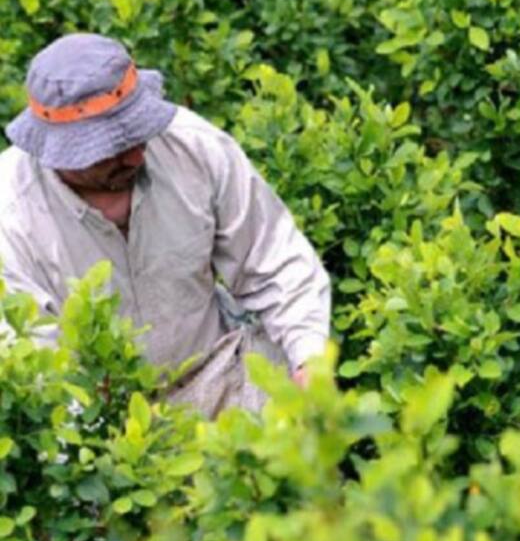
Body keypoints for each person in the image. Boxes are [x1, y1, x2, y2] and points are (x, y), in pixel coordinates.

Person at [0, 32, 330, 412]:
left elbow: (274, 260)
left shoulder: (193, 146)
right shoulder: (13, 216)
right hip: (98, 417)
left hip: (217, 376)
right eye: (112, 151)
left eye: (140, 135)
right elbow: (36, 368)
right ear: (59, 153)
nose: (137, 157)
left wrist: (310, 360)